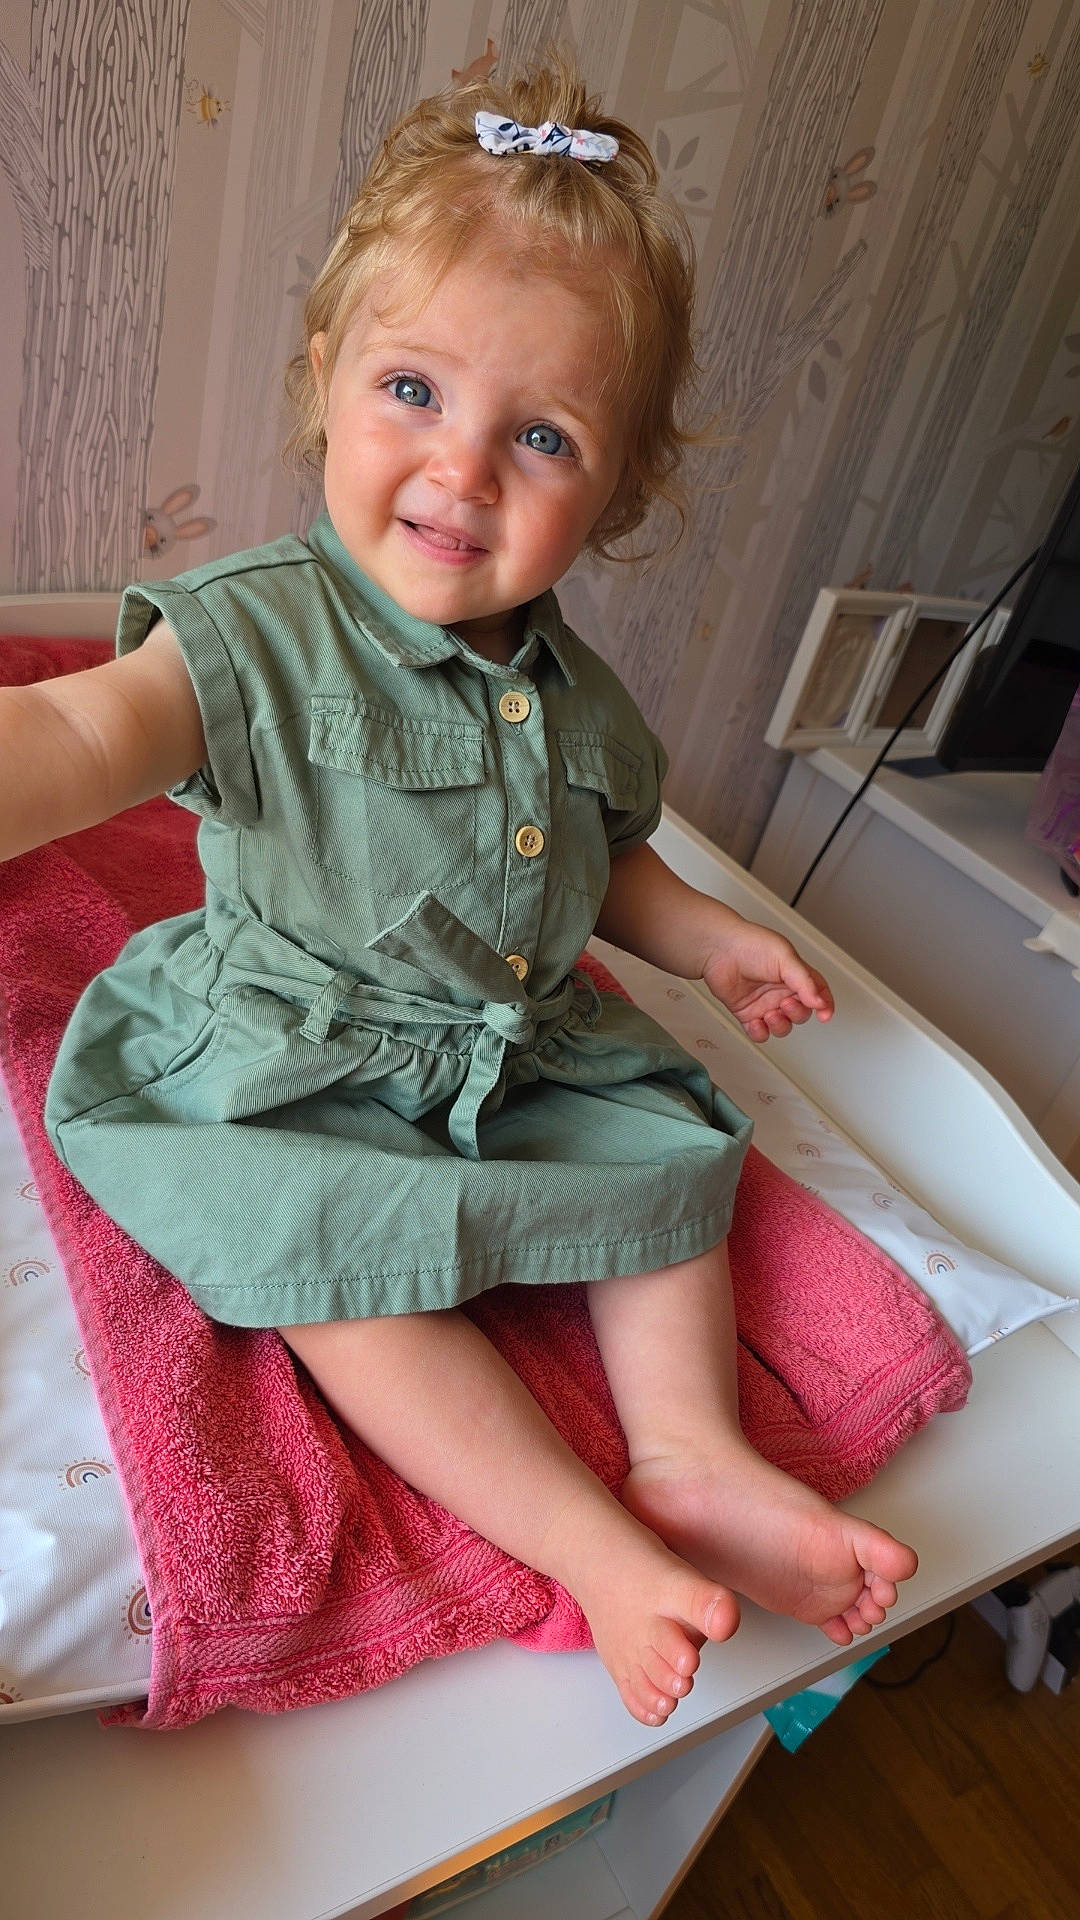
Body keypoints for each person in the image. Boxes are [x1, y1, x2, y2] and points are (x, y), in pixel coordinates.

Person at [5, 55, 917, 1728]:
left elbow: (609, 856)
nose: (463, 468)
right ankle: (591, 1541)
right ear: (328, 376)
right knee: (342, 1278)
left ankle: (692, 1453)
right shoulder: (258, 627)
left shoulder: (575, 693)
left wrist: (708, 938)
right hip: (292, 1059)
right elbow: (80, 725)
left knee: (675, 1159)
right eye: (415, 390)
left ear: (617, 492)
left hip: (513, 1044)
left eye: (543, 435)